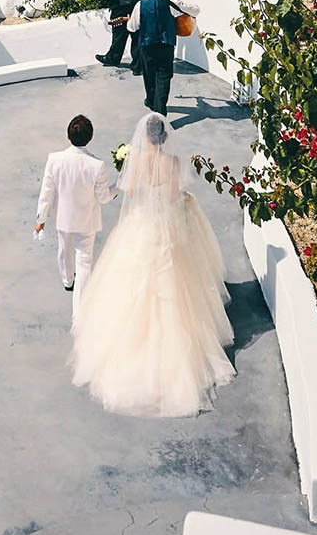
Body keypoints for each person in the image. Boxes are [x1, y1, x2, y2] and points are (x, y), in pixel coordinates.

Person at [71, 112, 235, 416]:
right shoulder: (171, 162)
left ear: (144, 136)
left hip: (141, 224)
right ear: (164, 136)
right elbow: (173, 195)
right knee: (175, 287)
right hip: (165, 229)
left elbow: (130, 193)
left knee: (128, 284)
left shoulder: (135, 159)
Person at [34, 114, 116, 319]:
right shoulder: (97, 165)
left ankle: (67, 281)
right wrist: (118, 186)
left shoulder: (54, 159)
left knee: (64, 250)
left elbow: (46, 192)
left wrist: (40, 220)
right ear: (90, 138)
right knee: (85, 261)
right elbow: (104, 198)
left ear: (68, 136)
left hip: (63, 218)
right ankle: (79, 313)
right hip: (87, 221)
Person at [127, 0, 198, 117]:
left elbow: (132, 27)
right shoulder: (171, 2)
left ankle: (153, 103)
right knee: (164, 76)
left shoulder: (140, 5)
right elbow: (195, 10)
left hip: (147, 46)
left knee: (149, 74)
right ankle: (160, 109)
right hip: (167, 45)